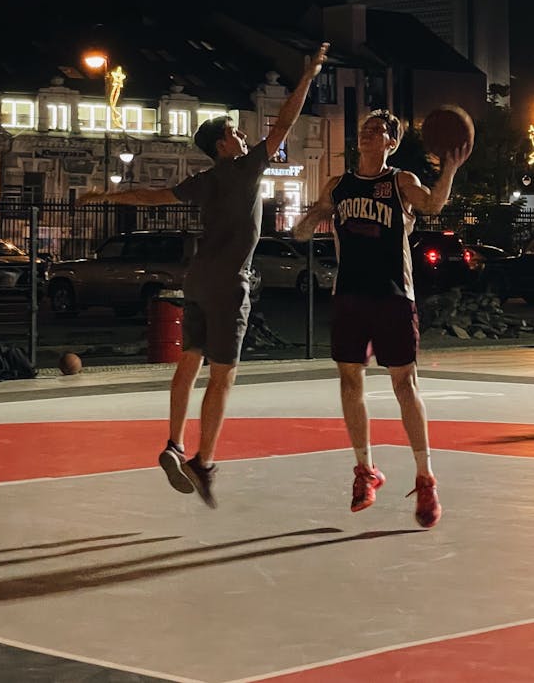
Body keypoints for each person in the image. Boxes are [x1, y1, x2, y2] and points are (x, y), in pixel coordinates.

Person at [82, 43, 329, 508]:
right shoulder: (244, 169)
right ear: (224, 146)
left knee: (189, 361)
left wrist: (104, 195)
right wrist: (309, 75)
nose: (242, 136)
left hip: (196, 281)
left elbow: (152, 197)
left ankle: (174, 441)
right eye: (235, 133)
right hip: (230, 284)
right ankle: (203, 460)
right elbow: (285, 122)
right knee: (224, 376)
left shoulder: (203, 181)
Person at [293, 108, 472, 529]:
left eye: (379, 130)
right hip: (350, 294)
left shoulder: (400, 181)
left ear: (391, 142)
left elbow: (432, 204)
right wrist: (309, 220)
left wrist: (448, 168)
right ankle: (365, 471)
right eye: (366, 129)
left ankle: (425, 477)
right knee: (349, 379)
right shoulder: (338, 185)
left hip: (393, 294)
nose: (369, 134)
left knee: (403, 383)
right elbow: (309, 224)